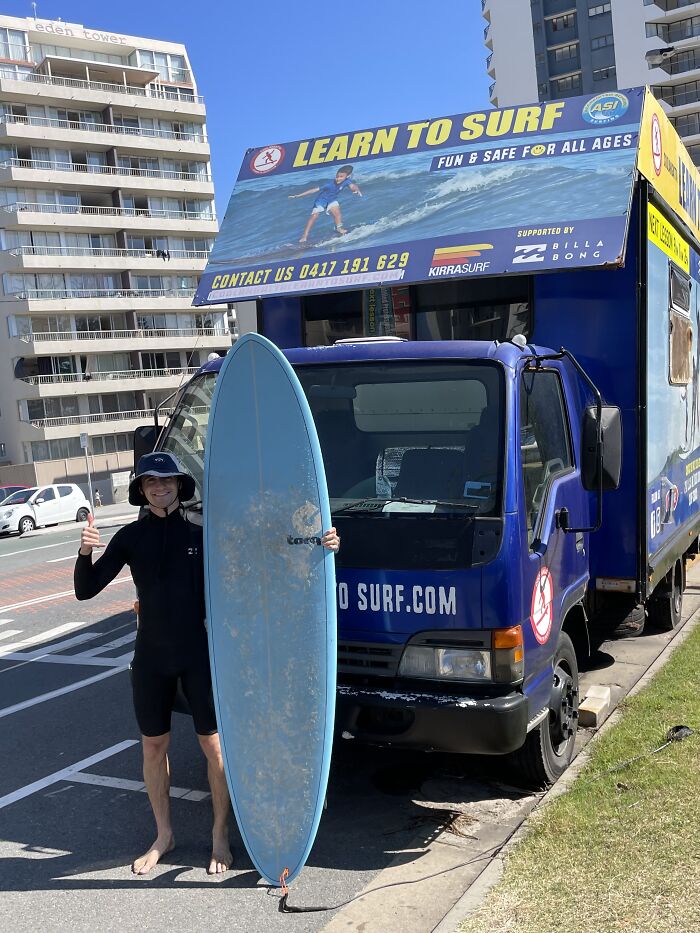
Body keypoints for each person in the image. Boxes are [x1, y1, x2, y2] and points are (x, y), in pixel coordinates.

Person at [74, 452, 340, 876]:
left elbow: (264, 559)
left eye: (168, 481)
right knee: (153, 746)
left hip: (199, 653)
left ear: (180, 486)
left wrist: (319, 542)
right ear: (140, 491)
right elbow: (86, 590)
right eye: (151, 483)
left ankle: (219, 833)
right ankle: (164, 834)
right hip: (151, 658)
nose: (160, 488)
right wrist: (85, 554)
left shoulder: (206, 533)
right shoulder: (129, 538)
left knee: (213, 746)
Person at [289, 164, 362, 243]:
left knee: (337, 214)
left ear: (347, 176)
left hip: (332, 200)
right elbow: (314, 190)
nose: (338, 178)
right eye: (337, 176)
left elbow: (353, 186)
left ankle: (339, 228)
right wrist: (298, 196)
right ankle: (304, 236)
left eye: (341, 177)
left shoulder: (347, 181)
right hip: (321, 201)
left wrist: (356, 190)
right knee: (314, 216)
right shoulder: (329, 184)